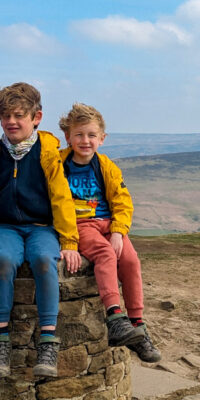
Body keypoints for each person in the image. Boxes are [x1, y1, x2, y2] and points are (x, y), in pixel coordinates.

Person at [0, 82, 81, 379]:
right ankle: (0, 341)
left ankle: (48, 340)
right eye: (5, 116)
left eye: (18, 115)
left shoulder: (48, 152)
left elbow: (61, 198)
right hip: (4, 227)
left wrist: (69, 242)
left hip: (41, 228)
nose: (11, 122)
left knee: (43, 260)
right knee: (5, 260)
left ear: (36, 117)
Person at [58, 103, 161, 362]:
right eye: (79, 135)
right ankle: (115, 316)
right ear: (67, 137)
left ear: (102, 139)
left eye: (92, 135)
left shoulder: (107, 167)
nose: (85, 140)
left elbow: (122, 202)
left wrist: (118, 231)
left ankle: (137, 326)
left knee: (130, 260)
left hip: (108, 225)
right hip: (80, 226)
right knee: (105, 254)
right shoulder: (57, 164)